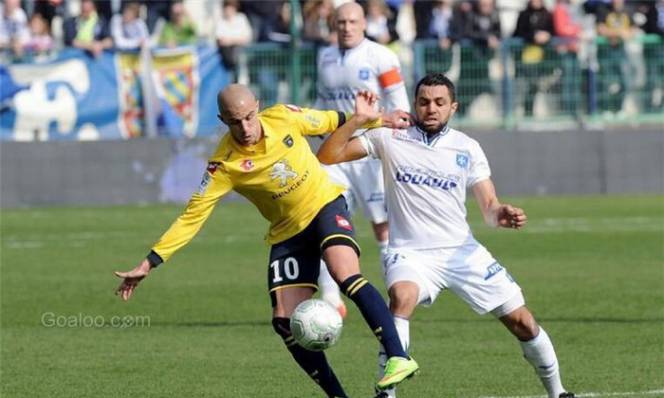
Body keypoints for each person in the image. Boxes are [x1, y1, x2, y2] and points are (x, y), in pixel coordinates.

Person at [114, 84, 419, 397]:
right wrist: (150, 262)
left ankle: (398, 355)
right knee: (284, 322)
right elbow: (192, 216)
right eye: (235, 121)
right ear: (223, 119)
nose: (245, 128)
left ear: (257, 107)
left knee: (345, 275)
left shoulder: (284, 117)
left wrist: (378, 119)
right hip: (288, 232)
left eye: (249, 117)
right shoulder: (224, 165)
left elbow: (330, 120)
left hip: (325, 205)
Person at [317, 73, 575, 398]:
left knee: (523, 322)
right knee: (402, 297)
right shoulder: (390, 137)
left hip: (461, 252)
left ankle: (558, 392)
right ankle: (387, 394)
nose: (431, 108)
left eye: (440, 102)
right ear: (415, 104)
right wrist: (358, 120)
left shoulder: (467, 148)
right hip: (410, 253)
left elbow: (489, 206)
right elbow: (327, 156)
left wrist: (501, 213)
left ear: (453, 107)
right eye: (424, 102)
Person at [314, 1, 410, 318]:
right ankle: (330, 298)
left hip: (369, 151)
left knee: (381, 225)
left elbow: (399, 105)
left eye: (353, 22)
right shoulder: (324, 56)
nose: (347, 27)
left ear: (364, 23)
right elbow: (322, 100)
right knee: (326, 219)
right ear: (334, 25)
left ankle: (395, 290)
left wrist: (395, 142)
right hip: (335, 152)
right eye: (341, 22)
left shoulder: (381, 57)